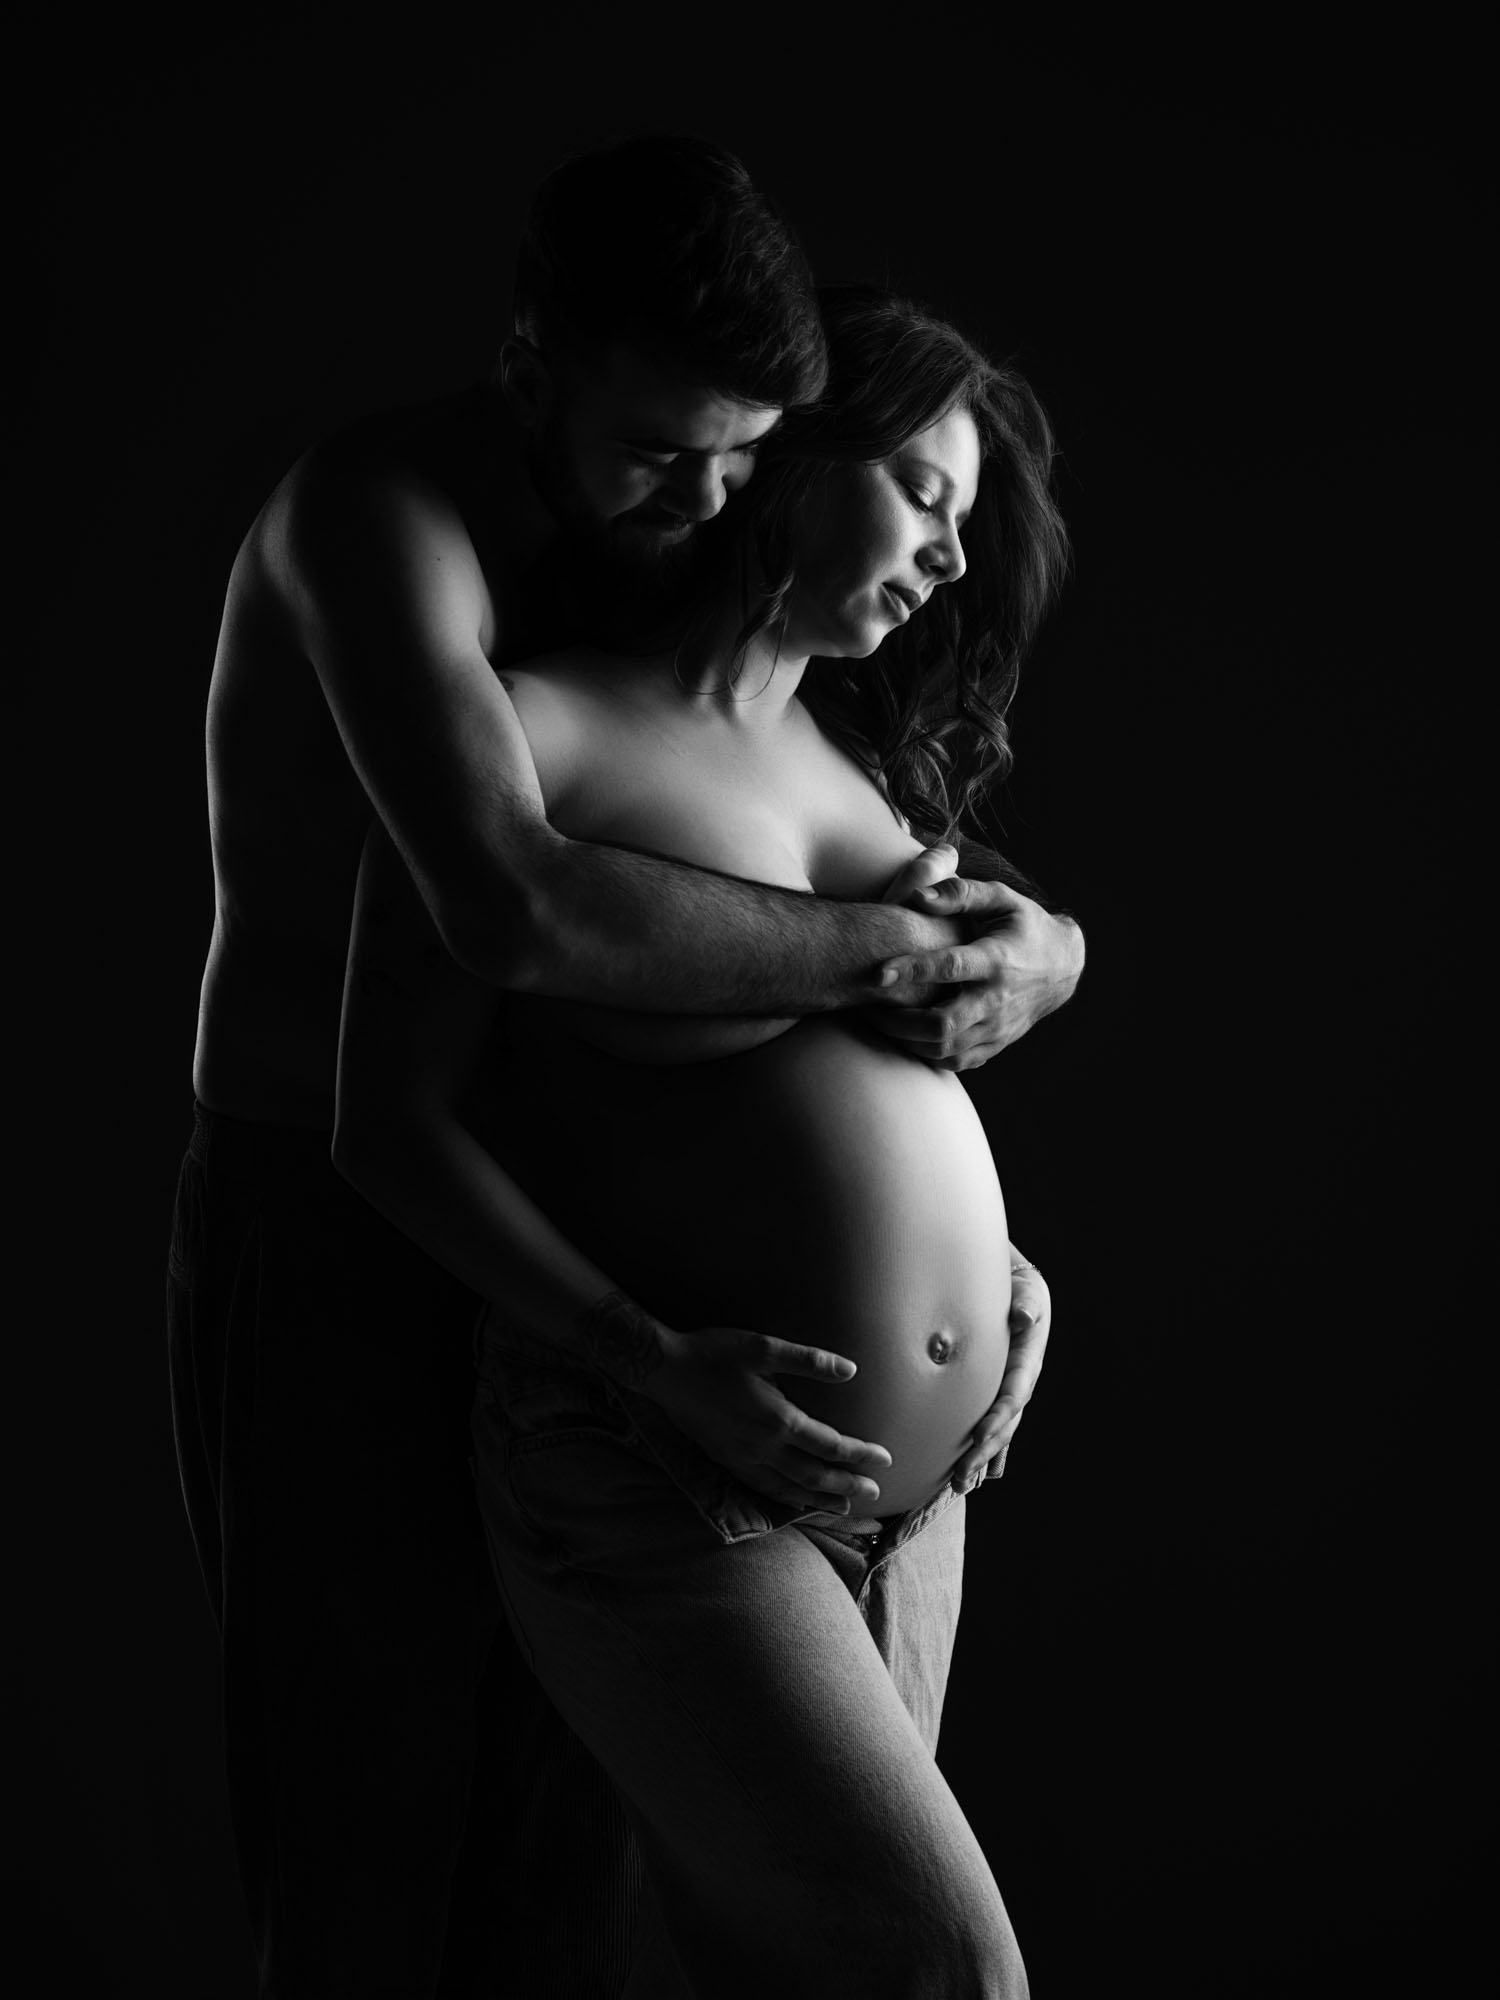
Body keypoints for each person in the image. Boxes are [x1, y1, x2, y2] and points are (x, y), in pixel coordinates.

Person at [168, 137, 1080, 1997]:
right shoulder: (387, 527)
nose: (710, 496)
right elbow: (518, 910)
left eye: (751, 455)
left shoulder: (680, 582)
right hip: (330, 1231)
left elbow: (767, 848)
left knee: (569, 1873)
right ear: (531, 376)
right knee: (369, 1833)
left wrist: (1051, 946)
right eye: (671, 454)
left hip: (638, 1301)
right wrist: (894, 959)